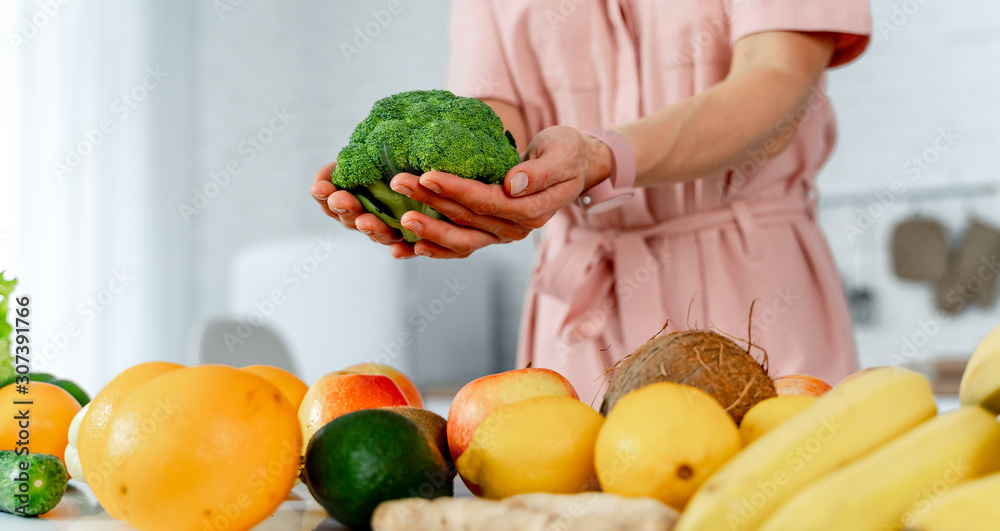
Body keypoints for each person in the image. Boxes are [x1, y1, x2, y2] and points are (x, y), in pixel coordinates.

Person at [311, 0, 872, 401]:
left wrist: (602, 156)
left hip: (753, 295)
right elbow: (493, 121)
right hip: (582, 313)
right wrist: (462, 195)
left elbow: (776, 77)